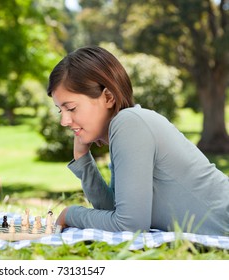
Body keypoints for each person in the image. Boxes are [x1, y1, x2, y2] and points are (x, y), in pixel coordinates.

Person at [48, 46, 229, 235]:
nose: (64, 121)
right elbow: (115, 212)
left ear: (108, 97)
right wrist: (82, 158)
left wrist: (71, 214)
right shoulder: (126, 128)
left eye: (71, 108)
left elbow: (129, 226)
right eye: (61, 110)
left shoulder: (130, 123)